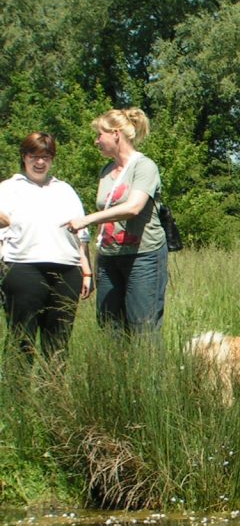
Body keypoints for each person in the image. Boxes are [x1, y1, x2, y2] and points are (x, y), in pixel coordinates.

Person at [64, 108, 167, 336]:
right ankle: (116, 362)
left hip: (143, 256)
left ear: (116, 134)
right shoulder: (106, 171)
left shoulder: (144, 166)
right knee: (109, 326)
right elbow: (107, 209)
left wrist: (87, 220)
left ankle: (146, 361)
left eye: (100, 135)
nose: (96, 141)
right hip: (109, 257)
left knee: (143, 326)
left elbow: (133, 207)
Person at [0, 133, 92, 360]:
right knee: (22, 339)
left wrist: (87, 271)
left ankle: (54, 383)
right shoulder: (8, 188)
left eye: (46, 157)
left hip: (67, 270)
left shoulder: (65, 190)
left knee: (59, 340)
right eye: (34, 156)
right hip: (23, 267)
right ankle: (19, 383)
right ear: (24, 157)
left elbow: (81, 235)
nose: (40, 162)